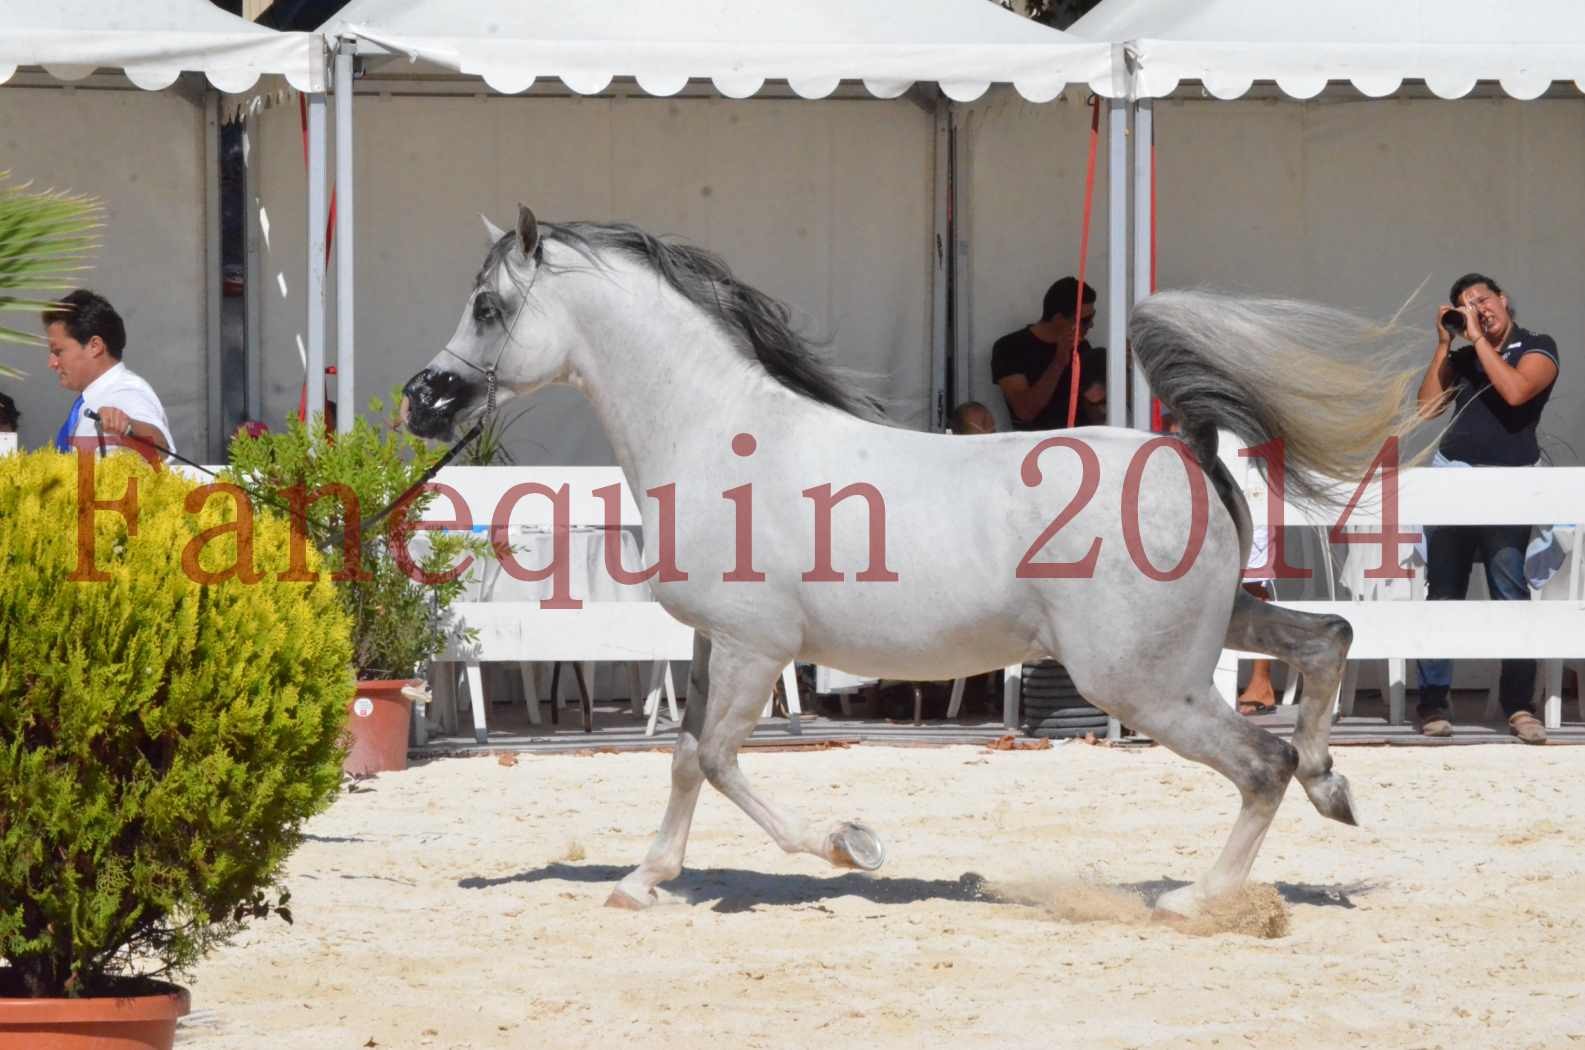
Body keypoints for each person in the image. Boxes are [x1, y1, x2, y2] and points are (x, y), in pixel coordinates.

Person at [1415, 272, 1559, 744]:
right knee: (1443, 594)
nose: (1476, 309)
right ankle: (1434, 701)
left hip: (1508, 486)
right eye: (1465, 306)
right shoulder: (1463, 356)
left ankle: (1519, 706)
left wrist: (1477, 341)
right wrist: (1444, 345)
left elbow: (1517, 391)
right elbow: (1428, 411)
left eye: (1481, 300)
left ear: (1503, 299)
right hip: (1454, 479)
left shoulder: (1537, 345)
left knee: (1509, 592)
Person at [44, 290, 174, 457]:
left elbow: (161, 448)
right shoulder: (95, 397)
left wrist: (129, 425)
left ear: (95, 346)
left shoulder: (126, 392)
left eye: (58, 352)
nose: (52, 363)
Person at [991, 277, 1102, 431]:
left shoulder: (1082, 347)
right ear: (1058, 319)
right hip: (1035, 447)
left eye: (1092, 316)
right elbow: (1025, 411)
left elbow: (1097, 408)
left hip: (1079, 445)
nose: (1091, 324)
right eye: (1085, 320)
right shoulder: (1009, 347)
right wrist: (1059, 362)